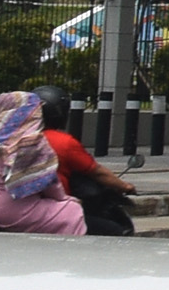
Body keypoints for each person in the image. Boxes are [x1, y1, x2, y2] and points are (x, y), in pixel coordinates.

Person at [0, 88, 81, 236]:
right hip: (11, 211)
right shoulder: (32, 141)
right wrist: (65, 199)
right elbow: (48, 183)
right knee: (72, 211)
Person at [42, 93, 140, 237]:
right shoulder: (64, 142)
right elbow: (96, 171)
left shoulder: (14, 138)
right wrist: (125, 186)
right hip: (55, 208)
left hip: (16, 206)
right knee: (115, 231)